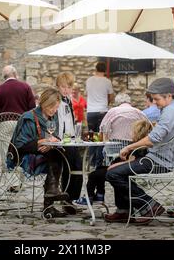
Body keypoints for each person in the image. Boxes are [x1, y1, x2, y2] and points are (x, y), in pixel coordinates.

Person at [104, 78, 174, 224]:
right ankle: (124, 210)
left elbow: (152, 139)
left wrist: (129, 147)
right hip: (163, 158)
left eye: (157, 99)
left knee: (113, 173)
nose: (154, 102)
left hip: (161, 161)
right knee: (115, 168)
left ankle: (148, 205)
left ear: (169, 95)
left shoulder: (170, 112)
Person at [10, 87, 70, 217]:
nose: (54, 110)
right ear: (43, 103)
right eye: (51, 107)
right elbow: (20, 145)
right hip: (26, 157)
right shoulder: (29, 117)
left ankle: (52, 196)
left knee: (62, 153)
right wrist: (40, 142)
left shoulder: (52, 118)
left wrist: (52, 142)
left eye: (56, 107)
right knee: (55, 154)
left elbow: (54, 137)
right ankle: (51, 197)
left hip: (46, 154)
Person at [74, 119, 152, 206]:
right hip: (119, 167)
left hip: (119, 169)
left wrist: (115, 165)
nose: (130, 133)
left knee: (93, 175)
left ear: (138, 133)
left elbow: (132, 160)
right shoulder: (136, 144)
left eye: (132, 131)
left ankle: (88, 197)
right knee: (99, 169)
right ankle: (100, 195)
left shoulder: (138, 146)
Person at [56, 72, 82, 205]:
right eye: (63, 87)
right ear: (58, 87)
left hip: (71, 138)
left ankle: (74, 196)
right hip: (63, 140)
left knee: (78, 166)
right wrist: (62, 139)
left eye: (68, 87)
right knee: (69, 167)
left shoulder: (69, 100)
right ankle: (67, 197)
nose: (66, 90)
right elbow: (60, 123)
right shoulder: (57, 102)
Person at [86, 62, 114, 132]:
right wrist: (106, 104)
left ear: (96, 69)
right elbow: (111, 97)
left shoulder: (89, 80)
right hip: (103, 110)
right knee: (102, 134)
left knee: (91, 135)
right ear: (105, 70)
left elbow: (87, 93)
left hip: (91, 111)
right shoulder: (107, 81)